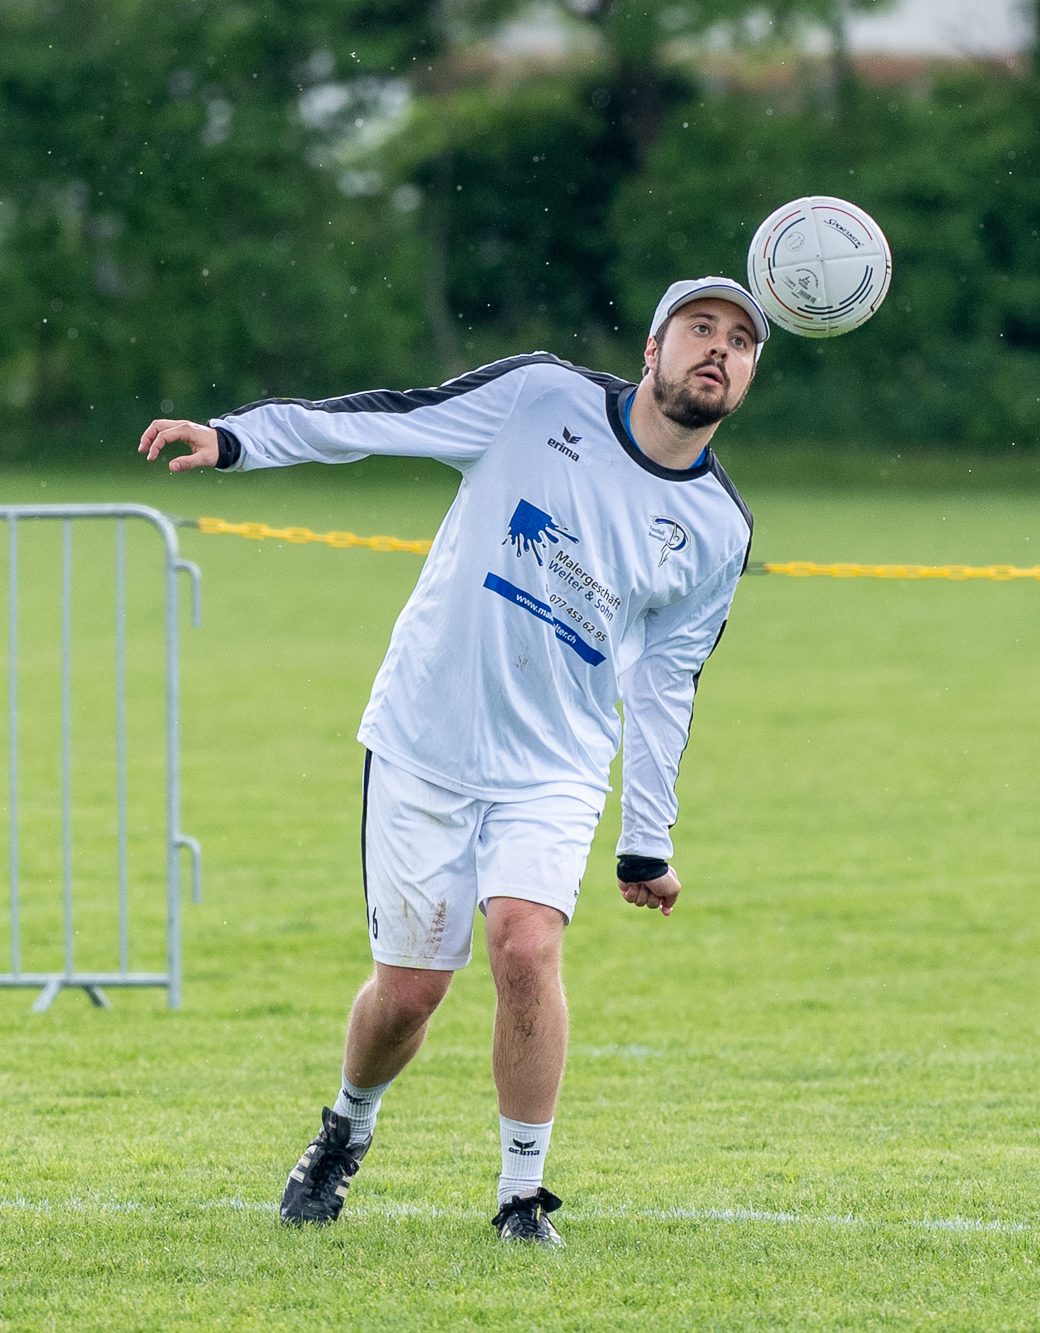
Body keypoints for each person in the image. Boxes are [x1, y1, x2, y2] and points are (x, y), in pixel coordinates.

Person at [138, 277, 769, 1245]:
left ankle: (522, 1195)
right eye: (698, 329)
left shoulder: (718, 528)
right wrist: (235, 439)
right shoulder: (538, 400)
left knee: (526, 943)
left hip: (553, 766)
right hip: (425, 742)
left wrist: (645, 841)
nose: (717, 350)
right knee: (408, 994)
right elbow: (387, 420)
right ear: (651, 349)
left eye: (739, 340)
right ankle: (346, 1126)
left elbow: (667, 682)